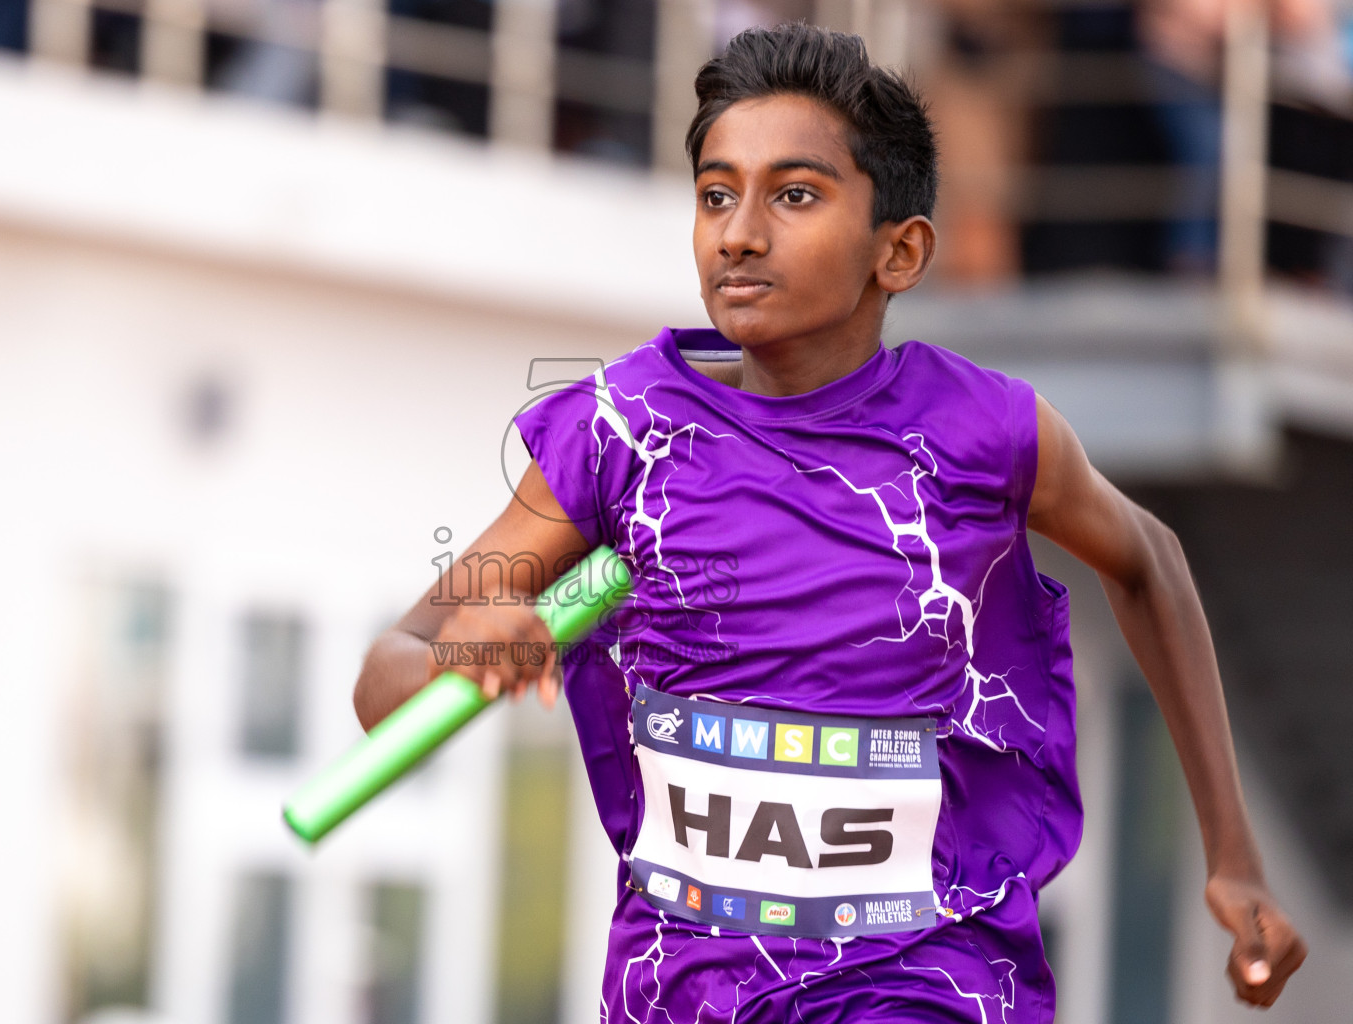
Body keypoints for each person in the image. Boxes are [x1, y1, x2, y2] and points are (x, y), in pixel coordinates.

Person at [352, 23, 1306, 1022]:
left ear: (899, 251)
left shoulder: (987, 432)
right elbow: (386, 678)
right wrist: (455, 648)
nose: (739, 232)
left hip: (924, 977)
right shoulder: (617, 432)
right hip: (685, 990)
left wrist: (1233, 854)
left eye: (794, 195)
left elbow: (1150, 558)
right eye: (717, 193)